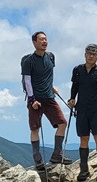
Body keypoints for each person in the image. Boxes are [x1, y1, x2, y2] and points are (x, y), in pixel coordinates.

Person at [21, 31, 70, 169]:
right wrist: (32, 100)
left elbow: (47, 75)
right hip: (36, 99)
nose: (44, 42)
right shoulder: (28, 60)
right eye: (41, 39)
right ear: (34, 42)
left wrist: (51, 86)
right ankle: (37, 159)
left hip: (49, 97)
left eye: (45, 39)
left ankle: (57, 154)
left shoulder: (51, 57)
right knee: (35, 128)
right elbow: (27, 81)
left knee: (62, 123)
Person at [68, 43, 97, 182]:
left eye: (94, 54)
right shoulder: (77, 70)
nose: (91, 56)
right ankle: (84, 169)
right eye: (89, 53)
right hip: (81, 108)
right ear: (85, 54)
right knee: (83, 138)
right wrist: (72, 98)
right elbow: (75, 86)